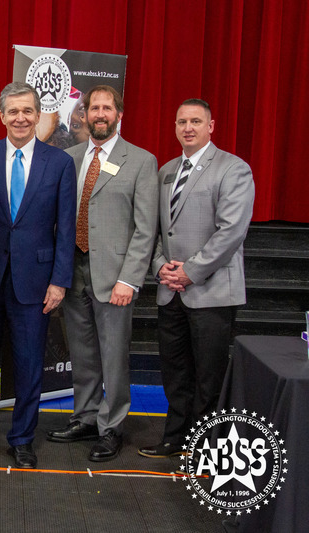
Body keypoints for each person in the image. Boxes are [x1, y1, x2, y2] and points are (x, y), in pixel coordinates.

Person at [0, 82, 76, 469]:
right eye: (13, 111)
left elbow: (66, 228)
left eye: (28, 111)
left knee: (28, 366)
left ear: (38, 114)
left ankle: (23, 438)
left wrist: (59, 281)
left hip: (37, 283)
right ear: (2, 116)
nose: (21, 118)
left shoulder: (59, 163)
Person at [47, 85, 159, 462]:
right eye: (93, 107)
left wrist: (130, 278)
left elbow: (146, 229)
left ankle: (112, 427)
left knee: (113, 356)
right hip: (74, 270)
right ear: (85, 114)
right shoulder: (71, 157)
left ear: (118, 114)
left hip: (115, 277)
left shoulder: (141, 161)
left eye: (106, 108)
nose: (99, 114)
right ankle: (86, 417)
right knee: (82, 353)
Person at [138, 99, 254, 460]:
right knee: (175, 373)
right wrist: (160, 266)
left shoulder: (233, 169)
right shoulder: (167, 171)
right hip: (170, 291)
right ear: (174, 126)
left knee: (209, 378)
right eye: (181, 121)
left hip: (211, 291)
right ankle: (174, 439)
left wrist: (191, 270)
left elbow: (231, 231)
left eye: (196, 121)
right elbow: (156, 229)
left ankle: (208, 450)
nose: (188, 127)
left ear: (211, 125)